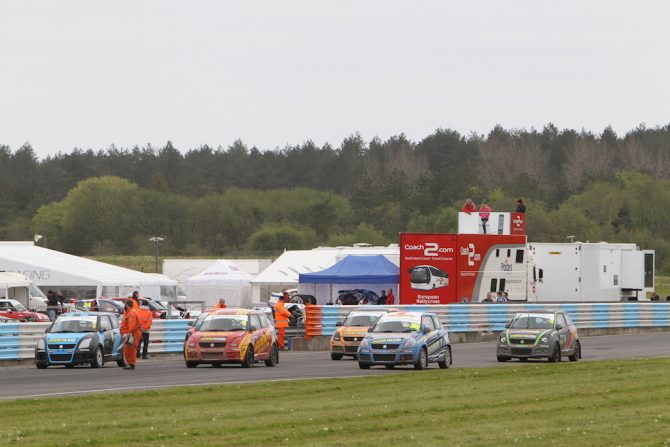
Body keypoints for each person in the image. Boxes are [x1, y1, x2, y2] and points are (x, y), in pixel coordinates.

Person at [120, 300, 142, 370]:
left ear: (127, 305)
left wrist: (128, 333)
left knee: (130, 349)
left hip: (132, 334)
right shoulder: (131, 312)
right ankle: (130, 363)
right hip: (131, 333)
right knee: (128, 349)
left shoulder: (131, 313)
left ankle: (131, 364)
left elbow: (131, 325)